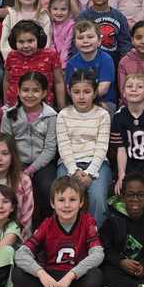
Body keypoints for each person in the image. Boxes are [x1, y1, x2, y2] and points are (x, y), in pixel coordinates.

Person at [12, 175, 104, 287]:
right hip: (51, 275)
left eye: (72, 200)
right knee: (17, 273)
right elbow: (21, 254)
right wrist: (41, 274)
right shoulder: (47, 225)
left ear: (81, 202)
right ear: (52, 203)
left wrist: (71, 275)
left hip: (74, 276)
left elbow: (98, 254)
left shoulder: (87, 222)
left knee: (96, 276)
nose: (67, 205)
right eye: (61, 200)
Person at [56, 71, 112, 226]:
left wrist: (89, 173)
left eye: (86, 92)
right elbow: (64, 145)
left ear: (94, 93)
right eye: (76, 92)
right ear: (69, 92)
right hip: (69, 164)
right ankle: (64, 235)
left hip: (97, 164)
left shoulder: (102, 115)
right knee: (62, 195)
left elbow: (101, 146)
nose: (81, 97)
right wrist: (73, 170)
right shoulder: (63, 115)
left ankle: (95, 237)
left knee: (98, 197)